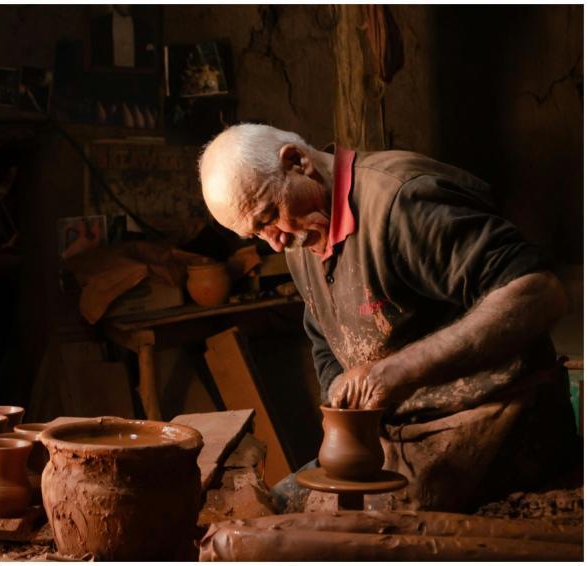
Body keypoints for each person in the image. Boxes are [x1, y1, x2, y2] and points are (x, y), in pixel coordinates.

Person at [198, 123, 578, 512]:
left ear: (298, 162)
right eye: (256, 234)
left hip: (498, 428)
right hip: (400, 443)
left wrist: (400, 371)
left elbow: (540, 293)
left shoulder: (404, 202)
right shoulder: (301, 230)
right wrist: (341, 404)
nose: (273, 241)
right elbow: (324, 337)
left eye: (268, 216)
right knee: (268, 515)